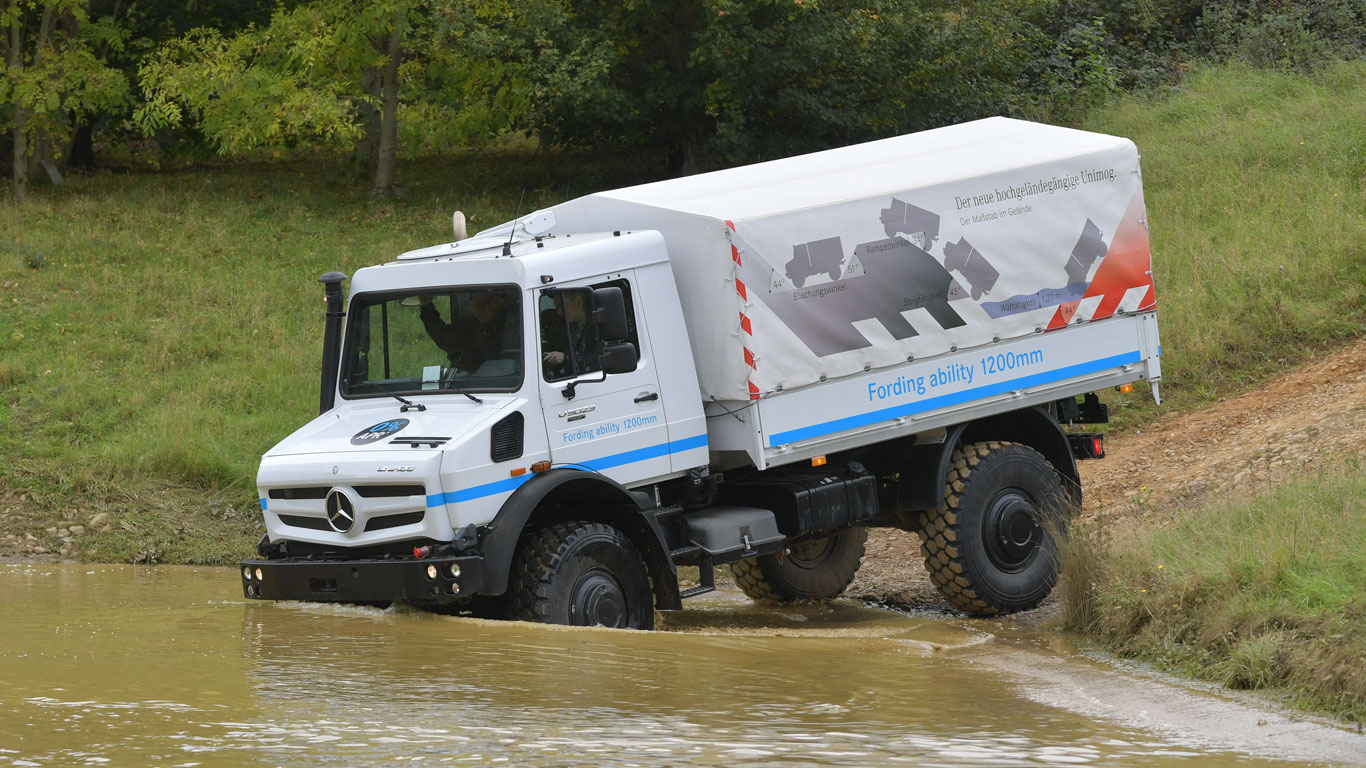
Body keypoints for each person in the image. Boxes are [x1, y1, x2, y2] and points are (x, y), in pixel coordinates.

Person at [418, 290, 512, 371]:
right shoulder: (469, 326)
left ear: (500, 303)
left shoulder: (512, 325)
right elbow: (445, 338)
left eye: (487, 303)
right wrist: (426, 307)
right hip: (465, 383)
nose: (480, 308)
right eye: (476, 302)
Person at [541, 291, 599, 379]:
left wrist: (565, 358)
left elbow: (598, 360)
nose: (559, 312)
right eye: (557, 308)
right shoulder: (569, 328)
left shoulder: (597, 328)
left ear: (577, 302)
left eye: (561, 306)